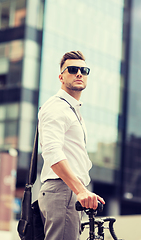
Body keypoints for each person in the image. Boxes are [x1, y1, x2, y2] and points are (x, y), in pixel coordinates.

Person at [38, 51, 105, 240]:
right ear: (61, 77)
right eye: (73, 70)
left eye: (84, 70)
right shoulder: (56, 107)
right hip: (63, 191)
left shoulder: (71, 109)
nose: (79, 74)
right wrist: (80, 190)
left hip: (68, 191)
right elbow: (51, 152)